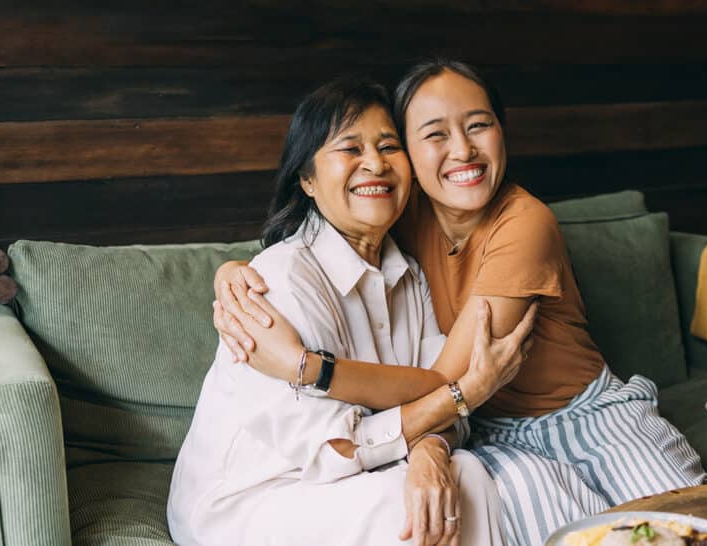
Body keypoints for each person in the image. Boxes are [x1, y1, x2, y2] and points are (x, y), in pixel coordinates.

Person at [215, 59, 707, 546]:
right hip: (490, 432)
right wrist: (232, 272)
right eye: (434, 135)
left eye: (479, 126)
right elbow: (323, 230)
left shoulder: (524, 223)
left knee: (688, 524)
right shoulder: (400, 214)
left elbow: (447, 380)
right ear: (410, 153)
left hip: (585, 415)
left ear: (502, 132)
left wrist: (310, 368)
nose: (463, 151)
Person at [168, 77, 534, 546]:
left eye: (388, 146)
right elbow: (332, 449)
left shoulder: (409, 276)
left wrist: (430, 454)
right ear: (307, 180)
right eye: (350, 149)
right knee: (398, 503)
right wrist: (468, 393)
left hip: (354, 473)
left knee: (465, 474)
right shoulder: (278, 282)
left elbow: (438, 401)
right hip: (252, 498)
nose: (375, 164)